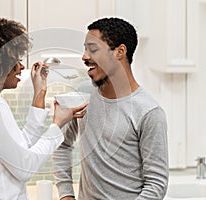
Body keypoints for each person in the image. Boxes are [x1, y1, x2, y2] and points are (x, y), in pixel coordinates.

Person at [0, 17, 87, 200]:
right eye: (15, 60)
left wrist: (40, 90)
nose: (21, 66)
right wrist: (57, 124)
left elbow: (22, 145)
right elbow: (25, 167)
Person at [53, 17, 168, 199]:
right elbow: (62, 145)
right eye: (85, 49)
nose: (84, 57)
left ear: (120, 51)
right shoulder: (83, 93)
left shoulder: (149, 112)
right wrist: (66, 194)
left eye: (93, 49)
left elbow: (156, 183)